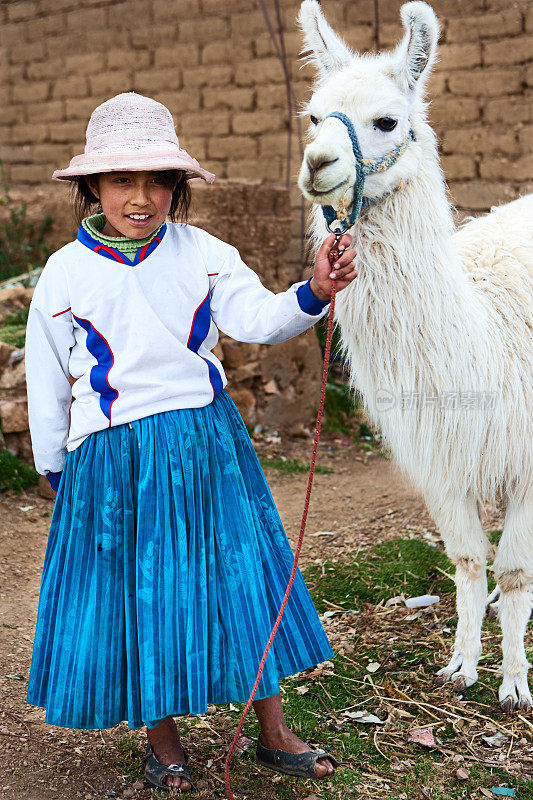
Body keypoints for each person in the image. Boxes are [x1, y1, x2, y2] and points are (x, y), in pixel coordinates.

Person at [24, 92, 357, 793]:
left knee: (239, 575)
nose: (139, 198)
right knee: (139, 593)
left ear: (177, 187)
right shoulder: (64, 274)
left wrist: (314, 289)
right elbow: (49, 382)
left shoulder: (203, 253)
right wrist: (55, 467)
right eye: (121, 181)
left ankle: (273, 731)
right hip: (113, 458)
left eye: (156, 181)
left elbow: (257, 318)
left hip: (205, 443)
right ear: (93, 188)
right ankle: (165, 743)